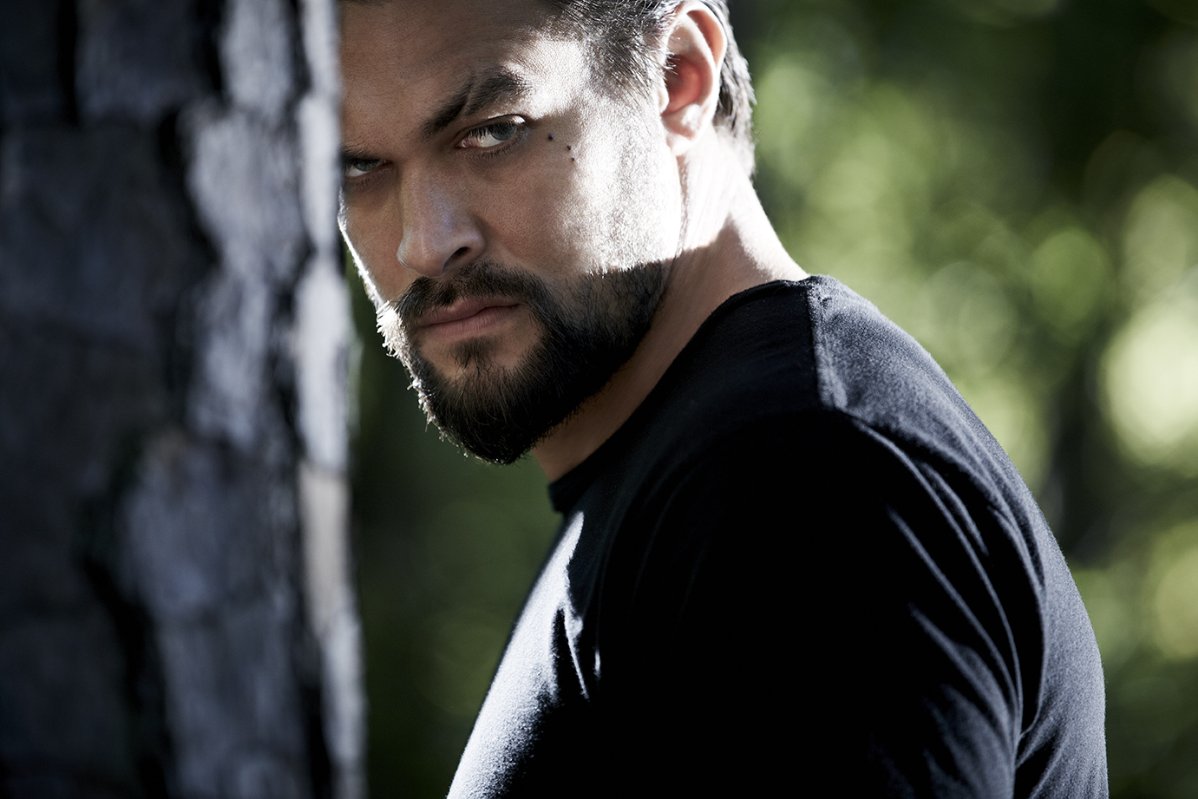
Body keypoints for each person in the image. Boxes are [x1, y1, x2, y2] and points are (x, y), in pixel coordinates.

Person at [337, 0, 1109, 795]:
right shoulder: (700, 475)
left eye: (494, 131)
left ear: (677, 77)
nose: (423, 243)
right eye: (357, 168)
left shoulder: (799, 479)